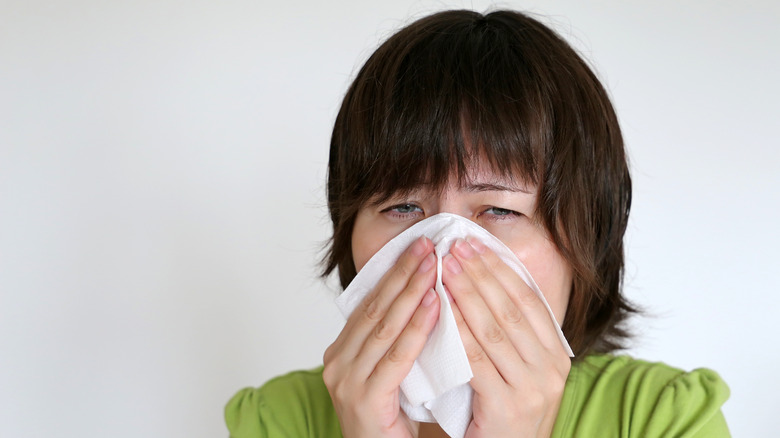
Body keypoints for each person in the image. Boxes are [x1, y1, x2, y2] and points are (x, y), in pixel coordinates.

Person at [225, 9, 730, 437]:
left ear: (589, 239)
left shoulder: (663, 418)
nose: (441, 251)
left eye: (500, 211)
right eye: (402, 207)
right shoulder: (276, 420)